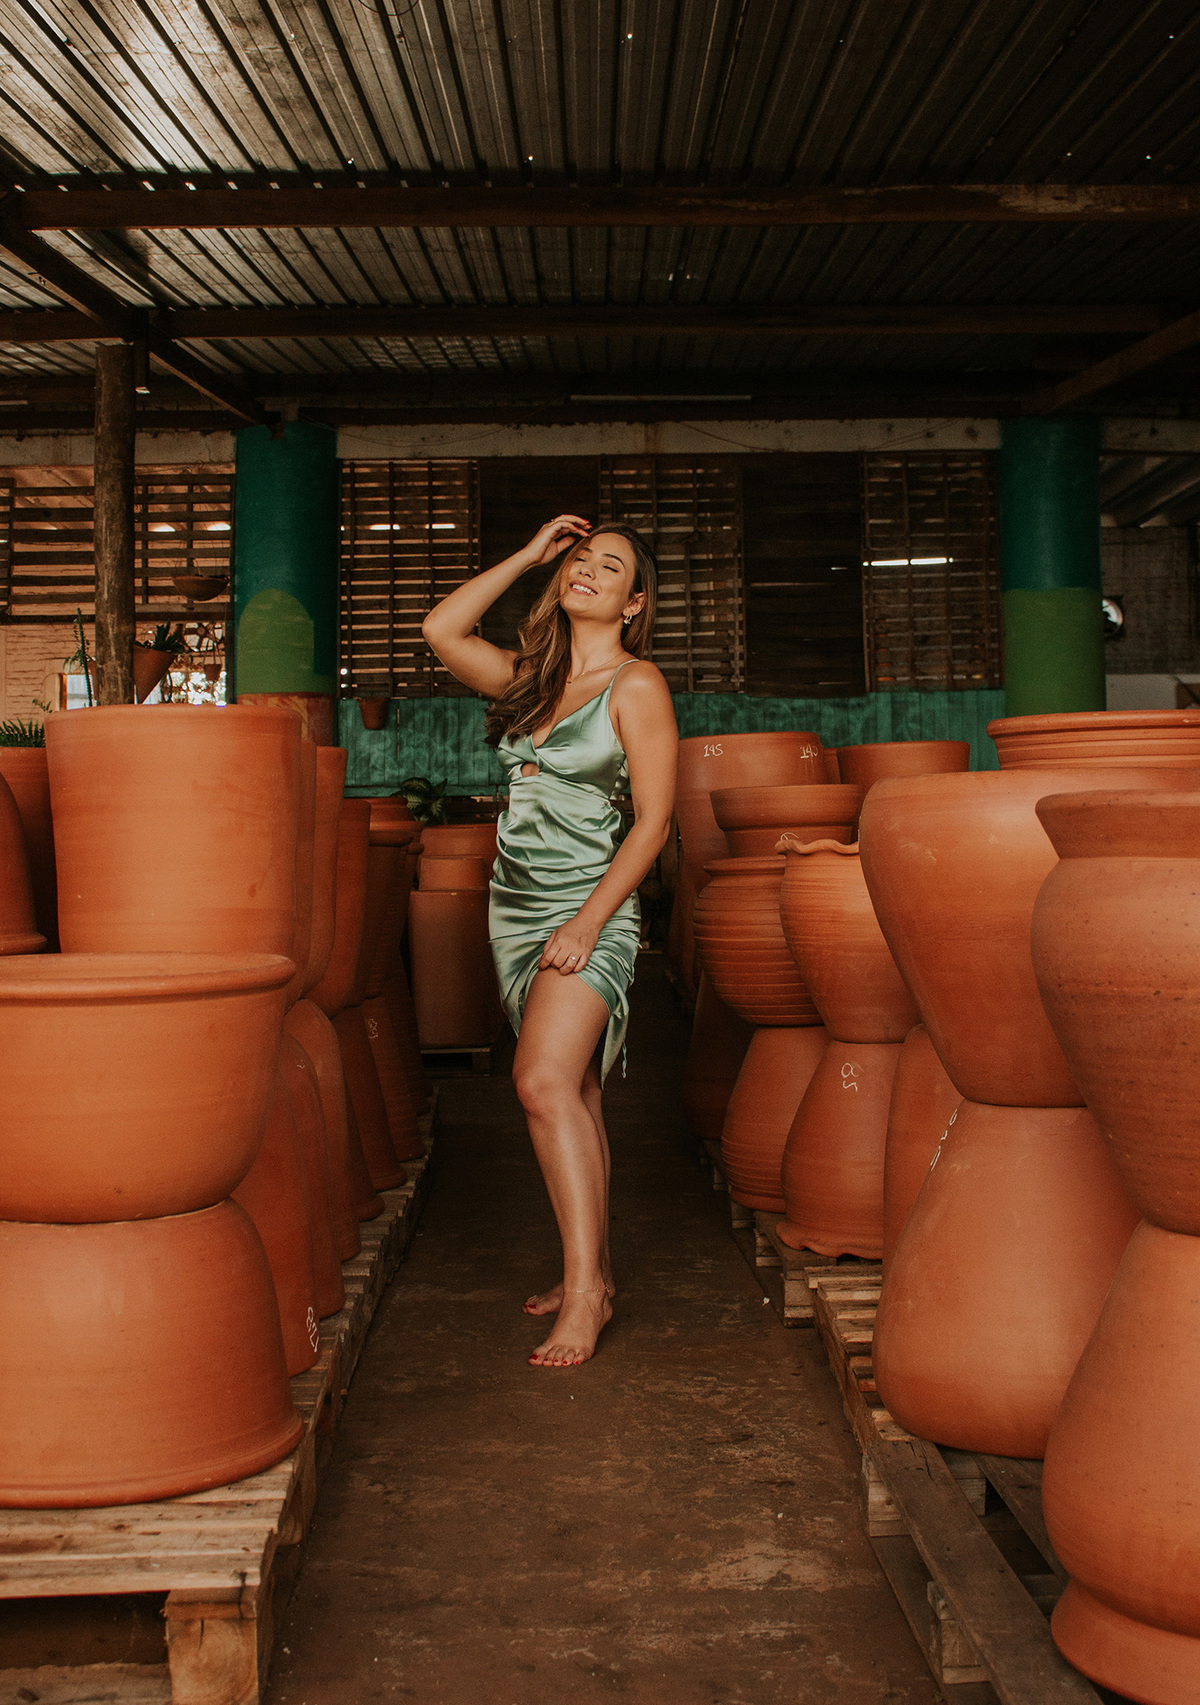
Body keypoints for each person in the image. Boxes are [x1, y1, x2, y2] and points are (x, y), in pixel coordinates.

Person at [422, 515, 678, 1368]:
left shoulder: (637, 685)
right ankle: (591, 1272)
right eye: (581, 558)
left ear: (634, 603)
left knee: (538, 1082)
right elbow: (441, 629)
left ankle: (584, 1295)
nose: (587, 570)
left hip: (586, 905)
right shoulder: (528, 681)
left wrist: (588, 922)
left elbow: (654, 823)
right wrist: (529, 554)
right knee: (576, 1091)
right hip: (515, 907)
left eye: (611, 567)